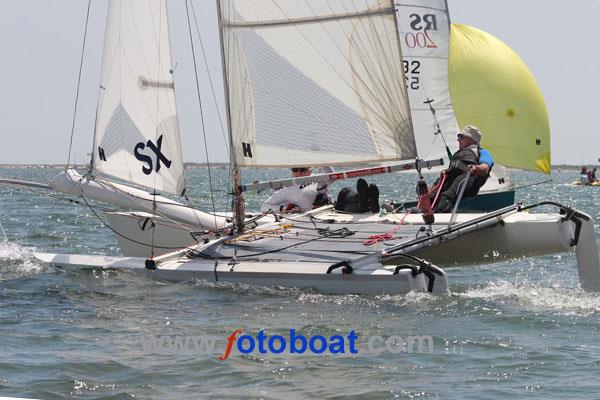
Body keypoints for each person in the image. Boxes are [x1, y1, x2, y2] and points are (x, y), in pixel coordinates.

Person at [431, 125, 490, 213]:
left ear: (471, 139)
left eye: (461, 136)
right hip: (454, 181)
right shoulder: (459, 154)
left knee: (445, 197)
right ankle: (426, 209)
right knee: (429, 195)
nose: (458, 139)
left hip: (469, 182)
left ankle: (444, 205)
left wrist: (476, 168)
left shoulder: (482, 152)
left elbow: (485, 167)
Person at [260, 167, 332, 213]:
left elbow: (332, 175)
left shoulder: (318, 179)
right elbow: (264, 206)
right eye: (295, 170)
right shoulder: (287, 190)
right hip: (302, 218)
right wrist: (285, 208)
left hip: (323, 214)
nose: (299, 173)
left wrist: (321, 162)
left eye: (303, 169)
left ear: (309, 171)